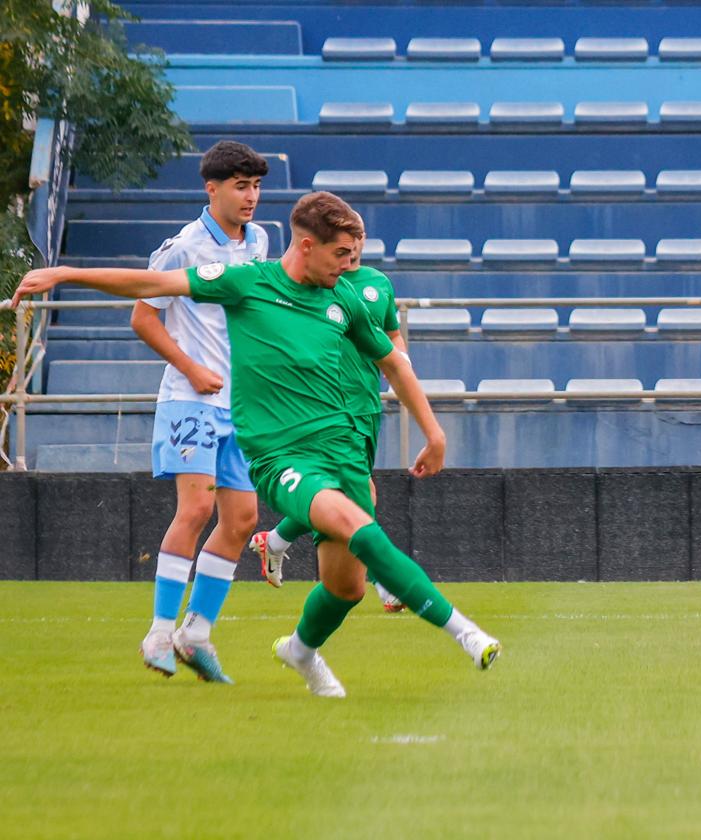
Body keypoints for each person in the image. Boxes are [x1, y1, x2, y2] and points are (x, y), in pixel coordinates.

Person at [8, 191, 501, 698]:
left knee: (346, 587)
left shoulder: (343, 299)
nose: (348, 266)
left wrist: (435, 433)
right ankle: (467, 634)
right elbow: (155, 284)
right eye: (340, 256)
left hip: (344, 452)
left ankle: (300, 651)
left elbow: (394, 362)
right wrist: (65, 273)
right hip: (282, 459)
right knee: (362, 528)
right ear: (307, 246)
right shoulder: (247, 283)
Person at [131, 140, 269, 683]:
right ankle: (159, 633)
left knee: (242, 519)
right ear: (210, 189)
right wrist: (190, 367)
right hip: (191, 400)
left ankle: (196, 634)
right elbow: (143, 318)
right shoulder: (184, 247)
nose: (251, 196)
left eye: (256, 185)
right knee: (195, 510)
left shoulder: (259, 241)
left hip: (240, 405)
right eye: (240, 185)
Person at [251, 221, 407, 613]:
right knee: (359, 495)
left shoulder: (378, 283)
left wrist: (401, 367)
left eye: (357, 239)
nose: (352, 247)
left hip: (366, 405)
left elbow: (392, 335)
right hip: (326, 407)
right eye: (344, 242)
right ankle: (387, 582)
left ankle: (277, 540)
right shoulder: (315, 286)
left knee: (341, 497)